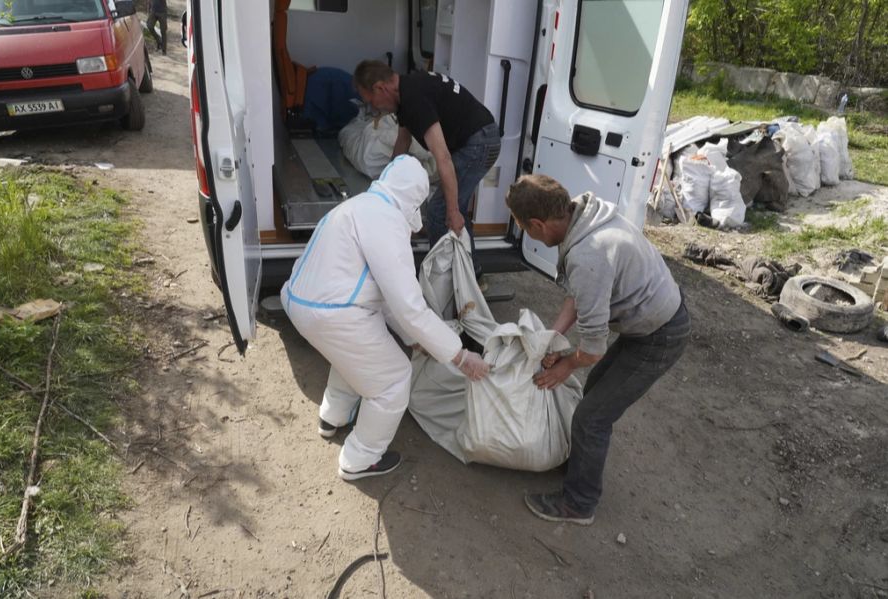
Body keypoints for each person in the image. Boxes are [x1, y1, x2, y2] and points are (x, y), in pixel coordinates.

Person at [281, 155, 490, 481]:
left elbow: (388, 299)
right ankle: (360, 459)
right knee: (392, 378)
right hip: (333, 313)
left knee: (357, 355)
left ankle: (332, 416)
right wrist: (460, 356)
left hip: (300, 300)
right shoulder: (387, 221)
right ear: (413, 198)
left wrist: (413, 338)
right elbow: (409, 307)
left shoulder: (359, 205)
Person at [505, 175, 691, 525]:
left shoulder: (588, 255)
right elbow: (580, 295)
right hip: (649, 319)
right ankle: (580, 466)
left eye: (525, 231)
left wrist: (566, 365)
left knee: (592, 417)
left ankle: (579, 504)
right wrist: (554, 334)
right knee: (594, 395)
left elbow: (592, 350)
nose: (530, 238)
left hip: (660, 334)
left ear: (537, 224)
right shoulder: (583, 216)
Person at [353, 60, 500, 276]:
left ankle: (444, 279)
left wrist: (452, 211)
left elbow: (443, 158)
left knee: (440, 210)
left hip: (480, 143)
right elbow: (401, 143)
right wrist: (384, 187)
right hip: (479, 138)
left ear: (380, 88)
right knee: (451, 207)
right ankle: (470, 273)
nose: (375, 108)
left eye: (372, 102)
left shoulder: (414, 99)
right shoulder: (406, 93)